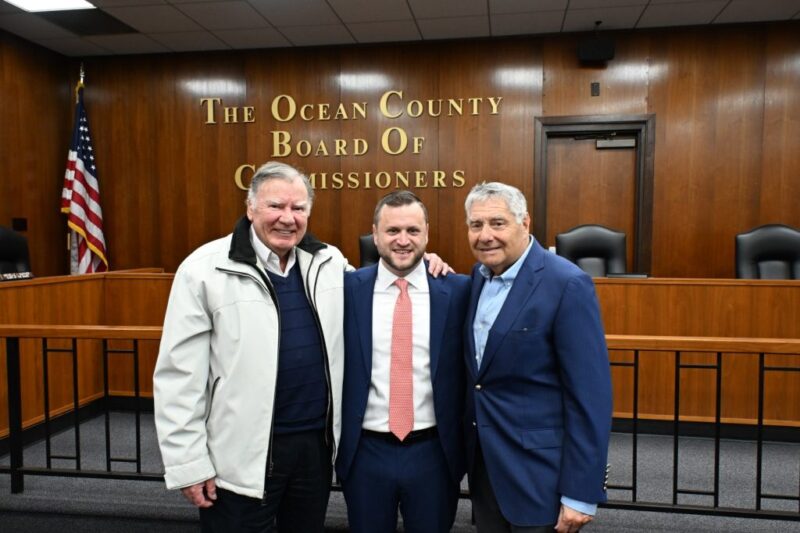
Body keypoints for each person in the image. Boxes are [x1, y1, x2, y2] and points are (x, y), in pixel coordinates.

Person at [153, 162, 450, 532]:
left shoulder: (328, 262)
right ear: (250, 208)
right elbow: (178, 377)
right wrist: (188, 463)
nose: (287, 218)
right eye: (275, 206)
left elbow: (385, 280)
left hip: (314, 449)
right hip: (241, 454)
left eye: (298, 208)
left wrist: (425, 264)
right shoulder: (204, 270)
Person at [462, 182, 612, 533]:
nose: (485, 235)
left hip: (540, 477)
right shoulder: (477, 278)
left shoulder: (567, 283)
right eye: (475, 225)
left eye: (497, 223)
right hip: (487, 472)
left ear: (525, 222)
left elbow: (590, 398)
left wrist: (581, 492)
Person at [336, 191, 470, 533]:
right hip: (365, 453)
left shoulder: (458, 291)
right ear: (375, 234)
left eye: (413, 230)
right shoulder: (346, 290)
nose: (403, 240)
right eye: (393, 230)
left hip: (434, 453)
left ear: (427, 233)